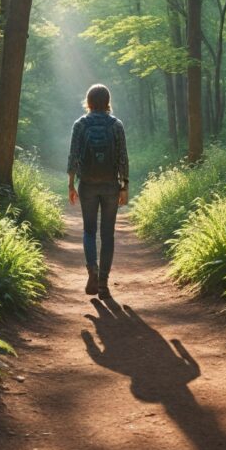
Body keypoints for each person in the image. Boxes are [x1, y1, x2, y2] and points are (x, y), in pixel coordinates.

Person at [67, 84, 129, 300]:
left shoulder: (80, 124)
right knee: (108, 234)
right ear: (107, 101)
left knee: (89, 231)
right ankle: (103, 284)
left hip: (87, 184)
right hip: (111, 185)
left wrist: (70, 184)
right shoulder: (116, 125)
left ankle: (91, 268)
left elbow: (73, 155)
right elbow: (123, 157)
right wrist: (125, 186)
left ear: (89, 102)